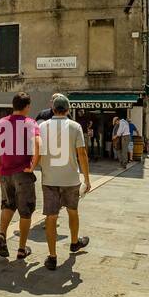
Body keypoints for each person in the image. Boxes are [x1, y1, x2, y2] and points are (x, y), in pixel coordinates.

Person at [38, 93, 90, 271]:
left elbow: (36, 151)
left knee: (51, 217)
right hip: (70, 179)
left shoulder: (42, 127)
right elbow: (82, 153)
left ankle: (52, 256)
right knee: (72, 211)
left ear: (52, 109)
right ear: (68, 110)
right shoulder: (75, 127)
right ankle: (74, 242)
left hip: (50, 179)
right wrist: (87, 179)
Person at [0, 91, 40, 261]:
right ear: (27, 107)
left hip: (5, 172)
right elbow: (38, 146)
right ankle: (21, 249)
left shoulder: (0, 123)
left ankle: (2, 234)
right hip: (23, 173)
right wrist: (33, 165)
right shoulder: (31, 123)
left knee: (7, 205)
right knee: (26, 212)